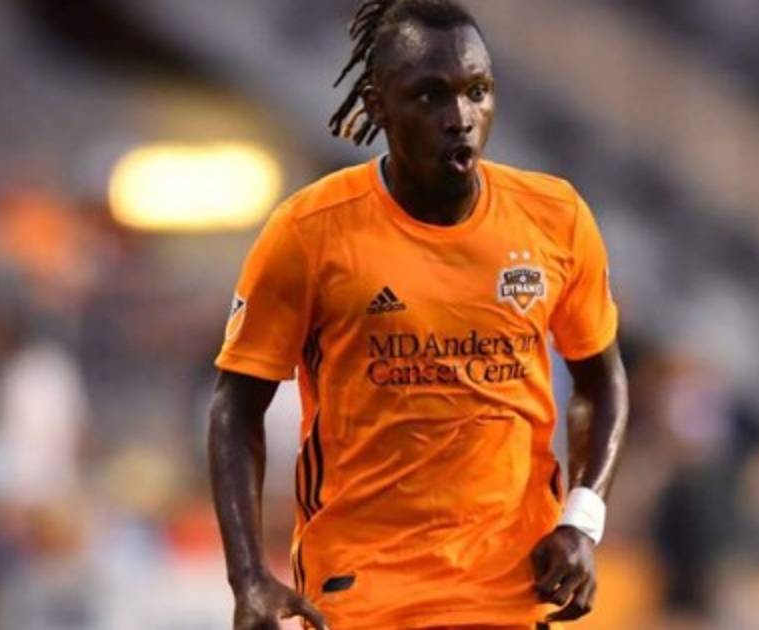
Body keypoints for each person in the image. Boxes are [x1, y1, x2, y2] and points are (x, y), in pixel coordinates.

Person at [207, 1, 627, 628]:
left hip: (511, 591)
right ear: (377, 106)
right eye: (431, 96)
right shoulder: (310, 232)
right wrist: (247, 579)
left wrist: (582, 522)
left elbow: (601, 380)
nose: (461, 117)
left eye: (477, 91)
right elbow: (235, 409)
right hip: (364, 594)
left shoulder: (555, 218)